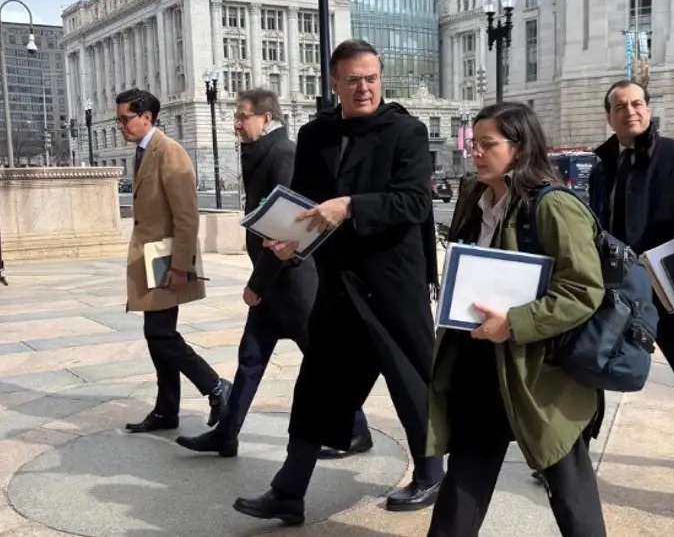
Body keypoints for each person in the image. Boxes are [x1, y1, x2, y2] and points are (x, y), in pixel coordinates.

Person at [231, 40, 445, 525]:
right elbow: (303, 203)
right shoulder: (316, 135)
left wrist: (350, 205)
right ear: (334, 83)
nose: (364, 87)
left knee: (410, 382)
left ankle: (431, 472)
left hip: (393, 284)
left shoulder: (406, 131)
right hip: (337, 285)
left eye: (371, 77)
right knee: (315, 389)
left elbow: (413, 204)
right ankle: (289, 492)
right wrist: (289, 241)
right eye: (353, 80)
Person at [425, 102, 608, 537]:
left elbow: (584, 289)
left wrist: (515, 324)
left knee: (568, 486)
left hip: (540, 375)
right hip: (480, 362)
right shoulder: (476, 199)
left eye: (488, 145)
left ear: (520, 147)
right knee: (465, 478)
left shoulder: (553, 206)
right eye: (475, 144)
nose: (477, 153)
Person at [174, 89, 370, 458]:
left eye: (242, 116)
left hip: (293, 282)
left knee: (322, 361)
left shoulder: (283, 154)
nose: (236, 123)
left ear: (266, 118)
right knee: (250, 357)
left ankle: (357, 430)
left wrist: (257, 284)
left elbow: (284, 227)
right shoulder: (263, 152)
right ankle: (226, 434)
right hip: (274, 282)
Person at [586, 80, 674, 481]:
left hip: (669, 288)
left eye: (637, 104)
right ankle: (574, 451)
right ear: (610, 116)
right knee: (589, 362)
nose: (630, 111)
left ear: (648, 109)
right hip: (614, 289)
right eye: (620, 106)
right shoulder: (602, 168)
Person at [118, 88, 231, 433]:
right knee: (157, 335)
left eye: (125, 118)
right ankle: (167, 410)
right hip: (152, 258)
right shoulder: (143, 152)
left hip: (167, 259)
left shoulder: (169, 152)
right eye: (119, 119)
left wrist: (181, 266)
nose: (121, 125)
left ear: (146, 117)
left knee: (160, 334)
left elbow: (187, 215)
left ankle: (215, 385)